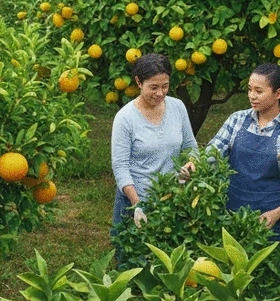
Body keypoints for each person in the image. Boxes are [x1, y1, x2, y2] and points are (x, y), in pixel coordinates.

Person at [111, 52, 198, 228]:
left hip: (170, 198)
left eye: (165, 86)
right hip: (135, 200)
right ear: (138, 82)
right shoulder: (125, 118)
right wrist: (137, 204)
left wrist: (191, 163)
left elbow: (190, 146)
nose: (160, 93)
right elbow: (120, 166)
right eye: (153, 87)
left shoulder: (178, 107)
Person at [195, 62, 280, 237]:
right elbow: (212, 153)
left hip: (271, 221)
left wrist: (276, 214)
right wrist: (194, 165)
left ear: (278, 93)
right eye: (249, 89)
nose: (252, 96)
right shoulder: (238, 120)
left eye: (259, 91)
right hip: (233, 215)